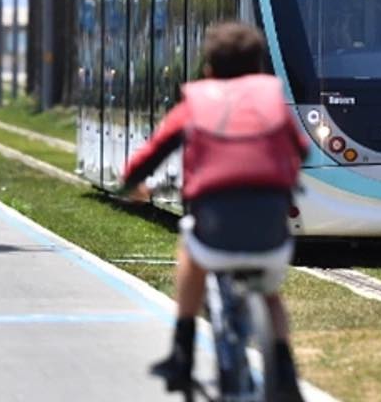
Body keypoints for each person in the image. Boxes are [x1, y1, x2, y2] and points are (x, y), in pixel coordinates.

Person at [120, 22, 305, 400]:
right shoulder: (272, 100)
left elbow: (148, 156)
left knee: (191, 255)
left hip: (215, 224)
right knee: (270, 292)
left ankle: (181, 353)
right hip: (271, 225)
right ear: (258, 68)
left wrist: (133, 185)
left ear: (208, 68)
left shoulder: (197, 103)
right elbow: (300, 150)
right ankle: (285, 369)